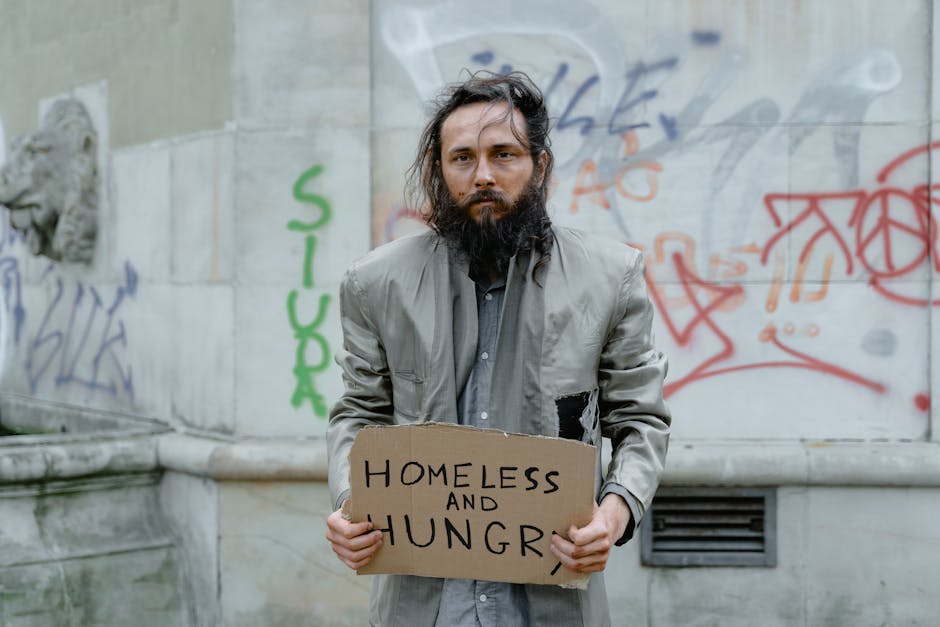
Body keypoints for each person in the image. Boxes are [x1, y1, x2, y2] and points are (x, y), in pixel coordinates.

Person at [325, 71, 670, 627]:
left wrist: (613, 513)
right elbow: (359, 414)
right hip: (422, 604)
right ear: (440, 172)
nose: (482, 175)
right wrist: (349, 504)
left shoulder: (611, 277)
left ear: (541, 166)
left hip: (552, 604)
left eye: (503, 154)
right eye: (461, 158)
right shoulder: (375, 283)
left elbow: (640, 419)